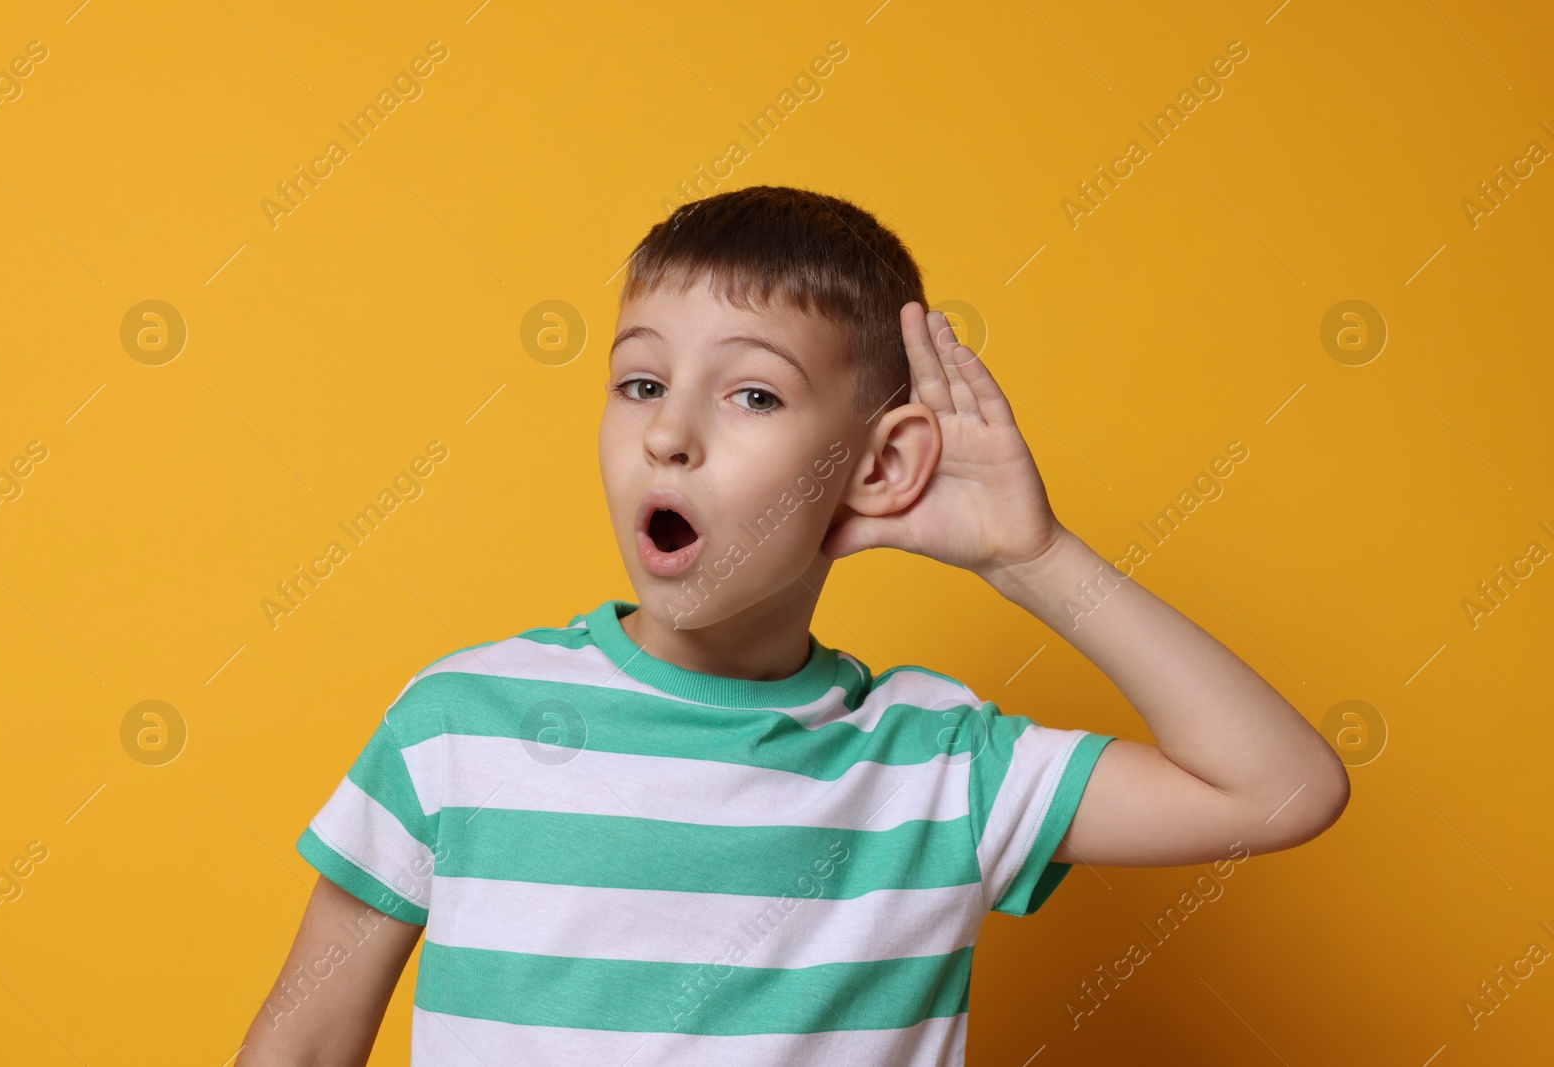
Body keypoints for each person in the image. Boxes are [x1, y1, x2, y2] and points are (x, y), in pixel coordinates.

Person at [236, 185, 1349, 1065]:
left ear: (876, 463)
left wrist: (1033, 557)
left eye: (752, 394)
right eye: (637, 382)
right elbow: (300, 1039)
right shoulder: (456, 726)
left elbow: (1281, 788)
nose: (668, 432)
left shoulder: (936, 766)